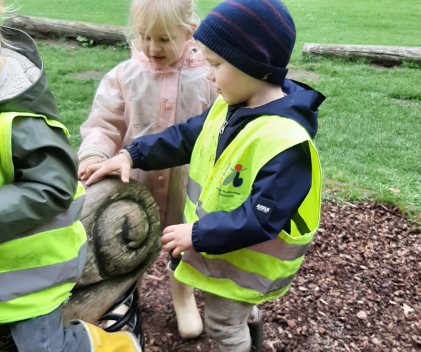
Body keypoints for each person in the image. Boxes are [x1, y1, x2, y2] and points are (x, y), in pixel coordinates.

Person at [82, 0, 325, 350]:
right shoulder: (234, 106)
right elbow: (185, 136)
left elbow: (260, 219)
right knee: (241, 312)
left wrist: (197, 233)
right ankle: (252, 327)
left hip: (246, 265)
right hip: (228, 254)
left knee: (224, 325)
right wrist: (130, 154)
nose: (207, 74)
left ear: (253, 65)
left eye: (215, 64)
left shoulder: (286, 143)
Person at [0, 6, 142, 352]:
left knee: (41, 347)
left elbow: (54, 185)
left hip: (30, 273)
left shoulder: (18, 120)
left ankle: (111, 345)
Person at [77, 0, 216, 339]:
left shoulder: (207, 79)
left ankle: (182, 295)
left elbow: (216, 129)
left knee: (184, 240)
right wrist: (94, 154)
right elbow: (104, 123)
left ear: (189, 32)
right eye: (144, 36)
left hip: (186, 184)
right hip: (131, 183)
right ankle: (125, 295)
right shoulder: (125, 76)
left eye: (165, 39)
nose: (153, 47)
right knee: (125, 239)